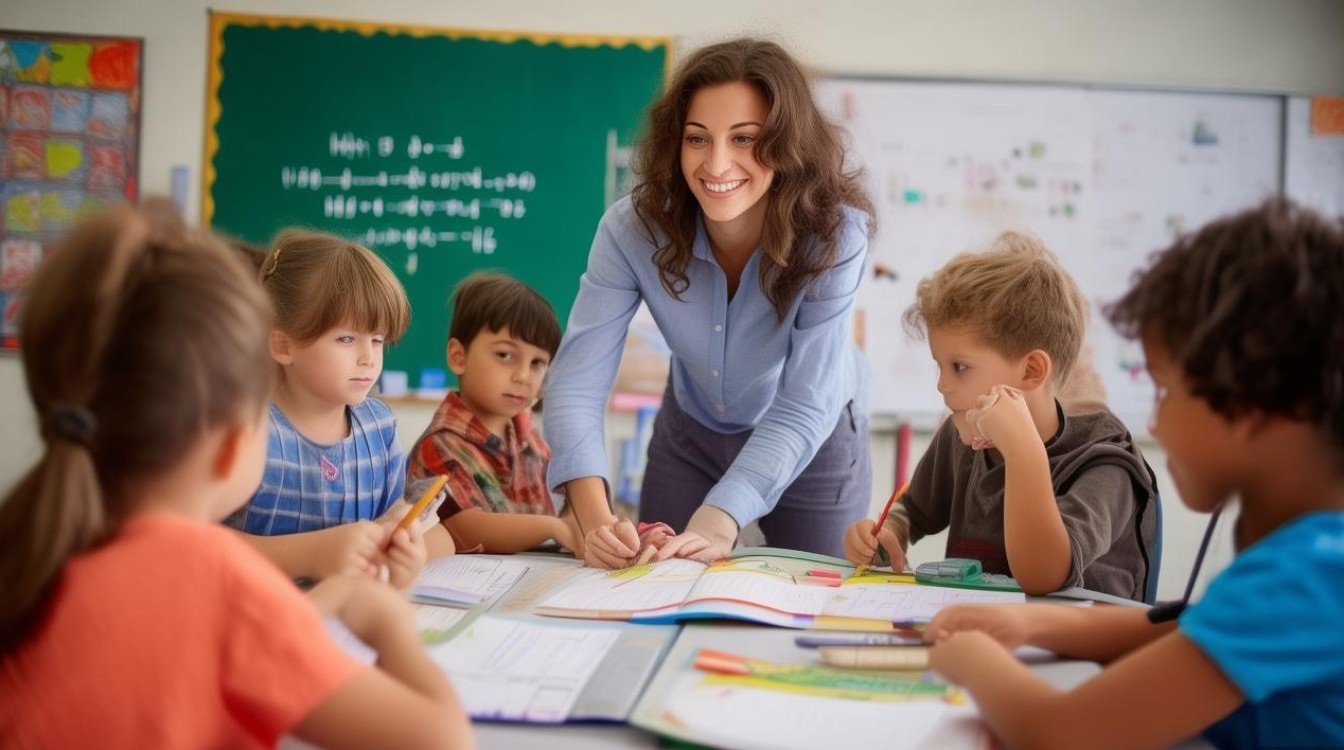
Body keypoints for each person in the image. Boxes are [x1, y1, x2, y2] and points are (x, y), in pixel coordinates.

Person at [0, 207, 472, 748]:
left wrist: (336, 596)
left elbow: (237, 636)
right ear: (231, 444)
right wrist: (390, 627)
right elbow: (442, 738)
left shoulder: (39, 551)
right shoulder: (218, 579)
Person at [923, 199, 1344, 750]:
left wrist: (971, 660)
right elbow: (1178, 626)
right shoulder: (1315, 557)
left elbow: (1059, 732)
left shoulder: (1306, 578)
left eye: (1166, 391)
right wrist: (1031, 625)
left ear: (1248, 407)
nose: (1154, 422)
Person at [544, 37, 876, 568]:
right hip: (690, 431)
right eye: (697, 138)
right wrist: (594, 519)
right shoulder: (631, 229)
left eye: (745, 138)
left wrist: (718, 520)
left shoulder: (835, 236)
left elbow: (804, 402)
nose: (717, 164)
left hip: (813, 433)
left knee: (811, 594)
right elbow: (577, 382)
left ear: (788, 144)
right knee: (654, 584)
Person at [843, 232, 1157, 599]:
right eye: (940, 365)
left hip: (1075, 635)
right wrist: (888, 533)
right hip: (982, 624)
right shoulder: (963, 435)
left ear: (1031, 371)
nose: (942, 385)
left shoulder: (1105, 466)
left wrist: (1023, 451)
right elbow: (914, 509)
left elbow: (1044, 576)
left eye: (960, 367)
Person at [227, 229, 453, 584]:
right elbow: (200, 545)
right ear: (283, 346)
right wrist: (314, 554)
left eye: (377, 340)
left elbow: (408, 529)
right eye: (347, 338)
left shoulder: (379, 426)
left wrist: (405, 547)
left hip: (351, 608)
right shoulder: (248, 431)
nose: (369, 358)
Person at [407, 273, 669, 553]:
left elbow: (570, 510)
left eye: (537, 363)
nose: (523, 376)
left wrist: (621, 535)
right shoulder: (441, 443)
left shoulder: (533, 439)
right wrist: (555, 528)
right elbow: (463, 529)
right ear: (458, 357)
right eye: (505, 355)